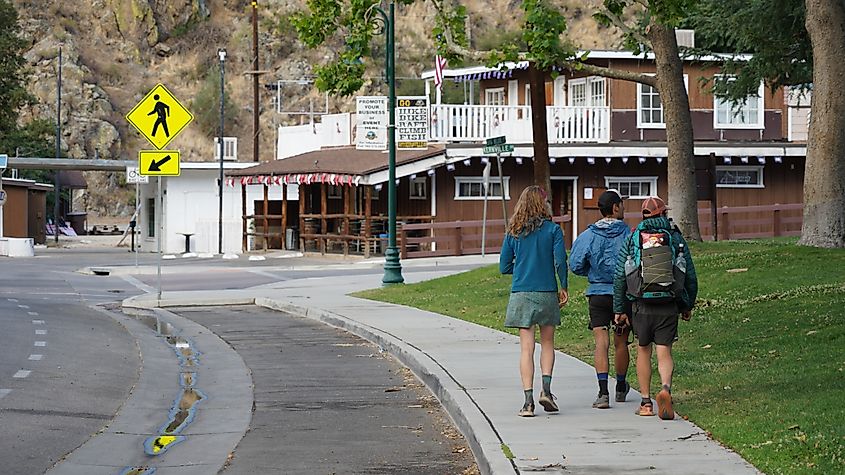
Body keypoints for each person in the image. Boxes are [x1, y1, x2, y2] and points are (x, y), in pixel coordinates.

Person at [612, 196, 698, 420]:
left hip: (641, 303)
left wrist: (620, 308)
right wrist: (687, 304)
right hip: (668, 303)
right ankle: (666, 389)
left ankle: (645, 402)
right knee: (664, 351)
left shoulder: (633, 236)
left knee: (643, 350)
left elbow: (621, 275)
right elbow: (689, 273)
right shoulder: (675, 236)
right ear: (663, 213)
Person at [500, 185, 569, 417]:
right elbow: (560, 261)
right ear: (543, 204)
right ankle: (546, 391)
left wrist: (521, 268)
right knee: (547, 343)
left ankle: (528, 403)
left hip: (521, 293)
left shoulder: (513, 232)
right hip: (546, 291)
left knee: (526, 348)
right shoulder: (553, 230)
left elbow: (504, 266)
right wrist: (564, 286)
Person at [569, 189, 632, 409]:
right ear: (615, 208)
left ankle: (603, 392)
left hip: (597, 294)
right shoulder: (628, 234)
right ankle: (621, 387)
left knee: (601, 343)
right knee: (621, 342)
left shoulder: (588, 235)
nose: (624, 208)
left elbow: (575, 264)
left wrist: (592, 272)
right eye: (622, 204)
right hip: (621, 294)